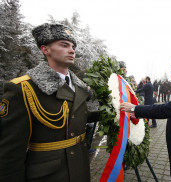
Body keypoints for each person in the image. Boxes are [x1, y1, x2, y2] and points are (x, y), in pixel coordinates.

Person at [0, 23, 98, 182]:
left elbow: (76, 119)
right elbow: (10, 154)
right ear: (45, 50)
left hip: (80, 167)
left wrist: (115, 113)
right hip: (49, 175)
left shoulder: (79, 87)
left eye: (73, 46)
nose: (72, 50)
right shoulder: (23, 88)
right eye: (64, 45)